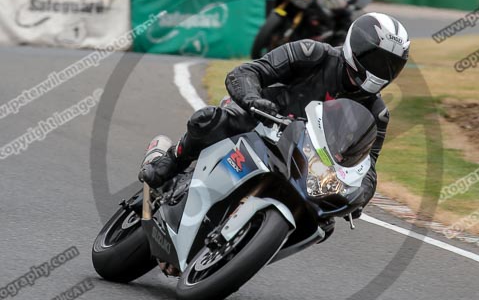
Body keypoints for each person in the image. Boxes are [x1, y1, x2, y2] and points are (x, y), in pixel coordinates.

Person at [139, 12, 410, 223]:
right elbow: (248, 72)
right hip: (259, 122)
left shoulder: (377, 114)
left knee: (323, 223)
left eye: (390, 66)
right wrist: (254, 99)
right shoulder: (312, 54)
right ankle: (172, 161)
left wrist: (359, 197)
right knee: (208, 119)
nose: (381, 70)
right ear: (358, 46)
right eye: (377, 60)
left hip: (305, 161)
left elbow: (367, 167)